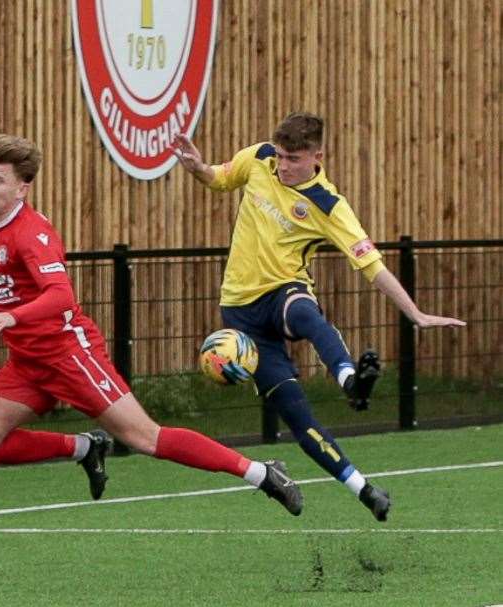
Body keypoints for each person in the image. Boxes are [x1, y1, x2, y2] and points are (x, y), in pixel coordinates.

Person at [0, 135, 303, 515]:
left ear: (22, 188)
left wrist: (13, 315)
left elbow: (60, 295)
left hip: (70, 355)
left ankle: (262, 473)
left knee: (145, 438)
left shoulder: (32, 235)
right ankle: (84, 447)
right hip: (28, 362)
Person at [172, 113, 466, 520]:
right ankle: (364, 490)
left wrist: (415, 313)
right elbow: (221, 178)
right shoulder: (259, 158)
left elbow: (371, 265)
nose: (283, 165)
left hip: (283, 291)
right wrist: (199, 169)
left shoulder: (328, 204)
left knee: (306, 313)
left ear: (317, 156)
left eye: (293, 158)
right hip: (239, 313)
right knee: (297, 416)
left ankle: (350, 381)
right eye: (280, 156)